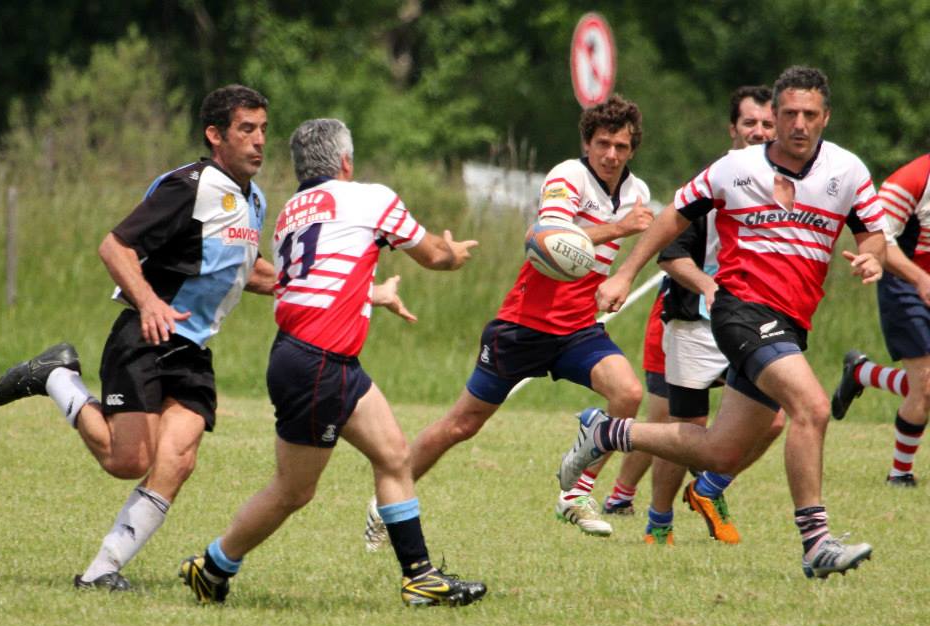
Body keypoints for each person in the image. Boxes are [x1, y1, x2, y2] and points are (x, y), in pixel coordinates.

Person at [558, 66, 887, 578]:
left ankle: (607, 433)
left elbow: (872, 232)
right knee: (812, 407)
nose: (799, 124)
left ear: (826, 117)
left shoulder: (848, 171)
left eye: (810, 114)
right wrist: (624, 274)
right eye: (789, 114)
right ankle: (816, 541)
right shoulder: (734, 170)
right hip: (740, 309)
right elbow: (672, 218)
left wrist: (873, 257)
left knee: (720, 450)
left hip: (792, 319)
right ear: (773, 117)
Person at [178, 118, 486, 607]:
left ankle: (420, 577)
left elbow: (320, 277)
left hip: (311, 356)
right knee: (293, 491)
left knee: (393, 455)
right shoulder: (370, 197)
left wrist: (374, 294)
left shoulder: (290, 215)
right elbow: (430, 256)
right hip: (319, 361)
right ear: (345, 161)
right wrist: (451, 254)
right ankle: (212, 565)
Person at [0, 85, 279, 591]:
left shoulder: (253, 199)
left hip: (191, 349)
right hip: (145, 337)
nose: (258, 141)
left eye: (262, 130)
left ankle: (101, 572)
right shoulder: (189, 186)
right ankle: (55, 376)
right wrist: (148, 302)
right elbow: (115, 245)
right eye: (246, 129)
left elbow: (248, 269)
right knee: (129, 461)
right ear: (216, 135)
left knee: (178, 459)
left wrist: (313, 288)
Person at [361, 96, 655, 547]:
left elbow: (647, 236)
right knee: (462, 425)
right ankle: (384, 504)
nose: (611, 154)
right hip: (523, 326)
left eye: (621, 146)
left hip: (578, 328)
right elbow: (544, 237)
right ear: (587, 142)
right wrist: (619, 228)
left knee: (628, 393)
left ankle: (575, 494)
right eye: (602, 144)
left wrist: (623, 274)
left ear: (632, 149)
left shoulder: (637, 193)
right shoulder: (568, 177)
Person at [643, 85, 787, 545]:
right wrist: (709, 286)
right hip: (694, 324)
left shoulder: (786, 187)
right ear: (733, 129)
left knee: (777, 418)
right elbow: (669, 254)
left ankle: (709, 488)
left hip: (751, 324)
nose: (759, 132)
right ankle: (658, 524)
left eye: (768, 124)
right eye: (750, 123)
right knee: (686, 431)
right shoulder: (713, 181)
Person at [830, 153, 930, 487]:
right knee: (926, 385)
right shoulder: (911, 180)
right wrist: (919, 279)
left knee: (924, 386)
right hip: (905, 283)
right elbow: (880, 240)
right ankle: (899, 475)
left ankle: (861, 372)